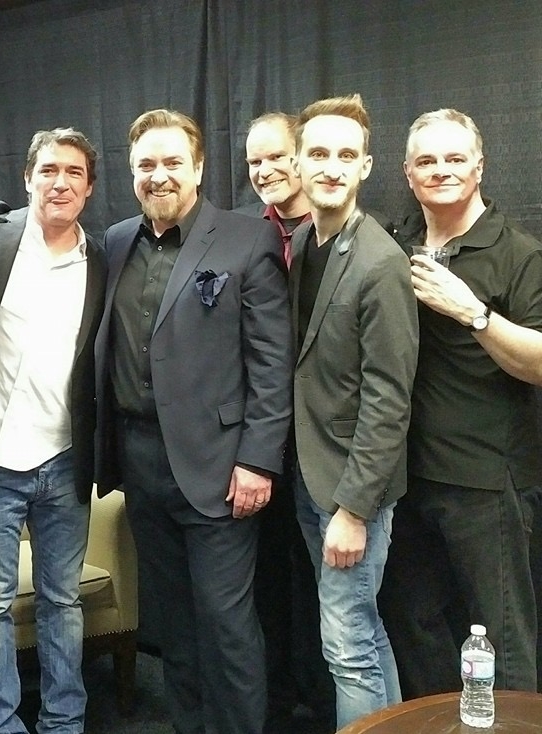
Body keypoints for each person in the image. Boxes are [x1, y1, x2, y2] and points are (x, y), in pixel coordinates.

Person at [95, 108, 293, 734]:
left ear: (200, 167)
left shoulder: (246, 239)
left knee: (226, 624)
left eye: (173, 163)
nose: (159, 176)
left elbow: (272, 364)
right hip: (139, 463)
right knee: (173, 624)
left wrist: (258, 459)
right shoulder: (116, 241)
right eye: (146, 165)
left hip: (220, 467)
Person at [0, 127, 106, 734]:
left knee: (63, 602)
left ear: (89, 187)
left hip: (64, 458)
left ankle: (64, 721)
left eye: (74, 173)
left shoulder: (102, 258)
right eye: (49, 170)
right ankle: (1, 724)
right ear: (28, 178)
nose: (60, 183)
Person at [380, 108, 542, 697]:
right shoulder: (392, 245)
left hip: (487, 481)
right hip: (405, 478)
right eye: (426, 161)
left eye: (454, 158)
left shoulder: (519, 253)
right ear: (407, 173)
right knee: (413, 625)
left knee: (504, 636)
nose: (441, 170)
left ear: (479, 167)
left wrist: (472, 312)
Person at [288, 94, 418, 729]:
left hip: (350, 491)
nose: (331, 167)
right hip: (313, 474)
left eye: (346, 155)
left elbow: (389, 399)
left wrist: (355, 511)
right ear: (298, 163)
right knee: (361, 632)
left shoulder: (381, 262)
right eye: (318, 153)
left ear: (366, 166)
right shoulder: (306, 242)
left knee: (347, 648)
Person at [238, 111, 333, 733]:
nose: (267, 170)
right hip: (260, 444)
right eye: (255, 162)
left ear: (304, 155)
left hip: (324, 446)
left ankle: (329, 712)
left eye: (277, 156)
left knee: (330, 593)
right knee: (266, 583)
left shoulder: (337, 235)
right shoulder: (245, 236)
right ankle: (271, 707)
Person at [238, 112, 312, 265]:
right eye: (255, 162)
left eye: (276, 157)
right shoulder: (237, 229)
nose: (264, 172)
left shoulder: (338, 228)